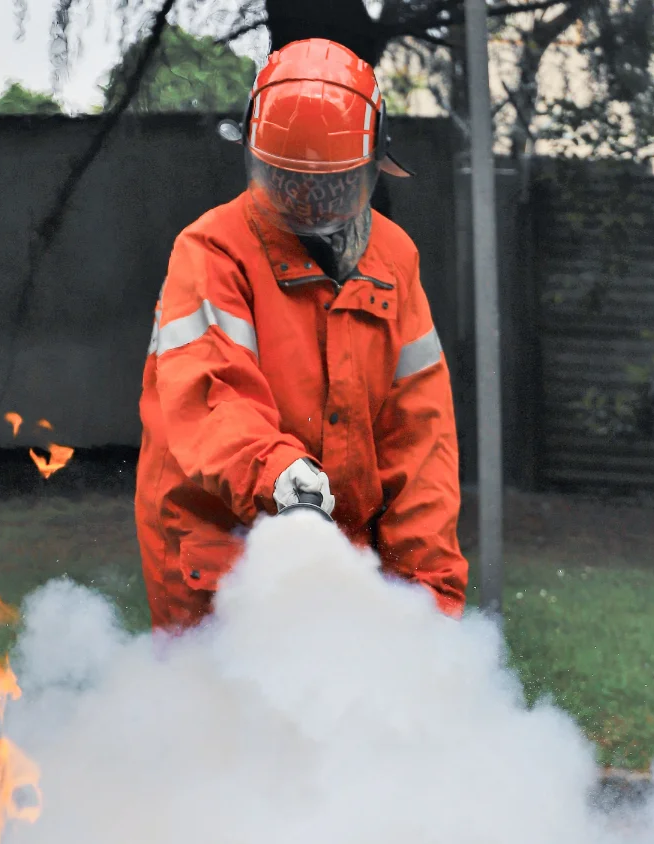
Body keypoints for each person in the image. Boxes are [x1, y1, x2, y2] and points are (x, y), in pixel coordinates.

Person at [135, 37, 467, 630]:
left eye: (330, 185)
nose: (309, 202)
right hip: (221, 558)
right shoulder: (211, 250)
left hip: (341, 566)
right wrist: (277, 471)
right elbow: (209, 393)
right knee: (216, 719)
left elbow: (420, 444)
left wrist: (428, 598)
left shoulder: (394, 259)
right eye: (289, 181)